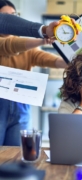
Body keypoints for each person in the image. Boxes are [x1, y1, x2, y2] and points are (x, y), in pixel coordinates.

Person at [0, 0, 67, 146]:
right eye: (6, 17)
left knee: (17, 155)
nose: (13, 20)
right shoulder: (16, 43)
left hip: (21, 105)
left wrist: (69, 63)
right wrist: (42, 39)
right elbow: (9, 45)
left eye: (14, 16)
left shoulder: (26, 45)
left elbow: (43, 58)